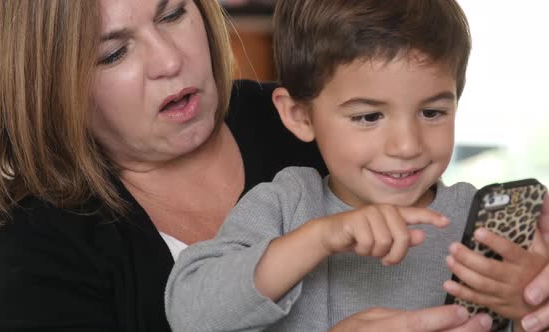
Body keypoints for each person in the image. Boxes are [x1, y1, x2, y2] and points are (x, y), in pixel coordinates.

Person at [0, 1, 546, 332]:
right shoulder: (37, 246)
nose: (171, 60)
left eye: (173, 14)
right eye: (113, 52)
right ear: (48, 87)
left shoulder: (328, 119)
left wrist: (531, 303)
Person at [165, 1, 549, 331]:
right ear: (299, 115)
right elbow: (191, 314)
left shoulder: (478, 224)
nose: (407, 145)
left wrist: (525, 307)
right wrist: (320, 238)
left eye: (432, 112)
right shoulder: (286, 205)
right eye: (368, 117)